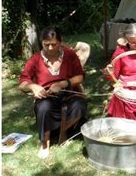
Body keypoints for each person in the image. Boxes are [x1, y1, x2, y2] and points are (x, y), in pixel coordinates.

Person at [18, 26, 88, 158]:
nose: (50, 48)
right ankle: (45, 142)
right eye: (46, 45)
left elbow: (80, 76)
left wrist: (62, 84)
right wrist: (33, 87)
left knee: (80, 104)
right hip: (47, 96)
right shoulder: (36, 59)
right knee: (44, 107)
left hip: (69, 92)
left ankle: (63, 133)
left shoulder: (69, 54)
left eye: (53, 44)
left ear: (60, 42)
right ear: (41, 43)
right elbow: (22, 83)